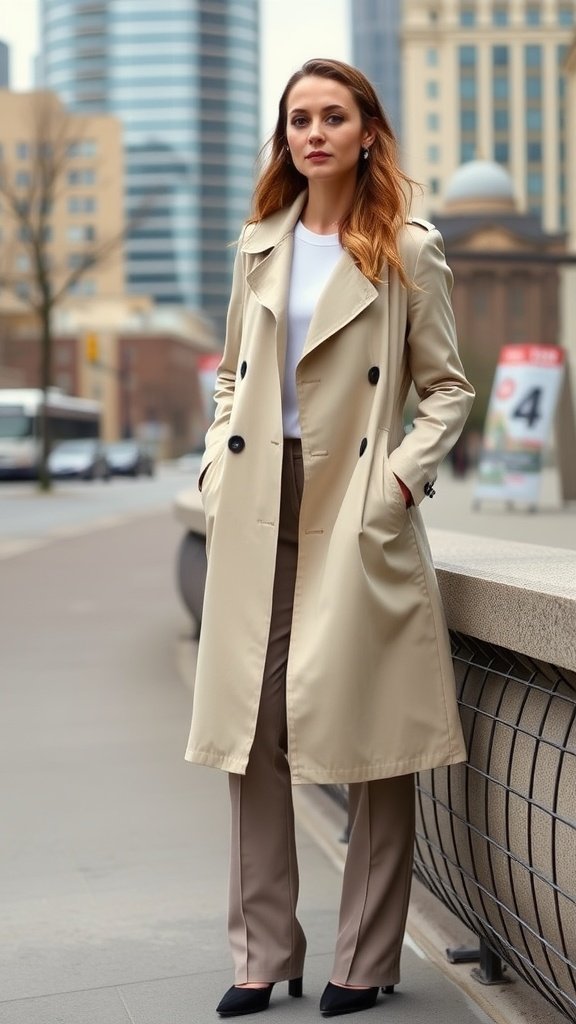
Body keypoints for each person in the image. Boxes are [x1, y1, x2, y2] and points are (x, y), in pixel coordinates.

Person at [185, 58, 475, 1018]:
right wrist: (218, 470)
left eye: (333, 117)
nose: (314, 133)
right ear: (286, 138)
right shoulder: (258, 244)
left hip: (355, 505)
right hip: (261, 501)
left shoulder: (405, 248)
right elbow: (232, 376)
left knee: (370, 734)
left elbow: (446, 390)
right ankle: (263, 951)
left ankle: (366, 954)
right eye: (299, 119)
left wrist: (394, 482)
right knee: (252, 731)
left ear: (365, 132)